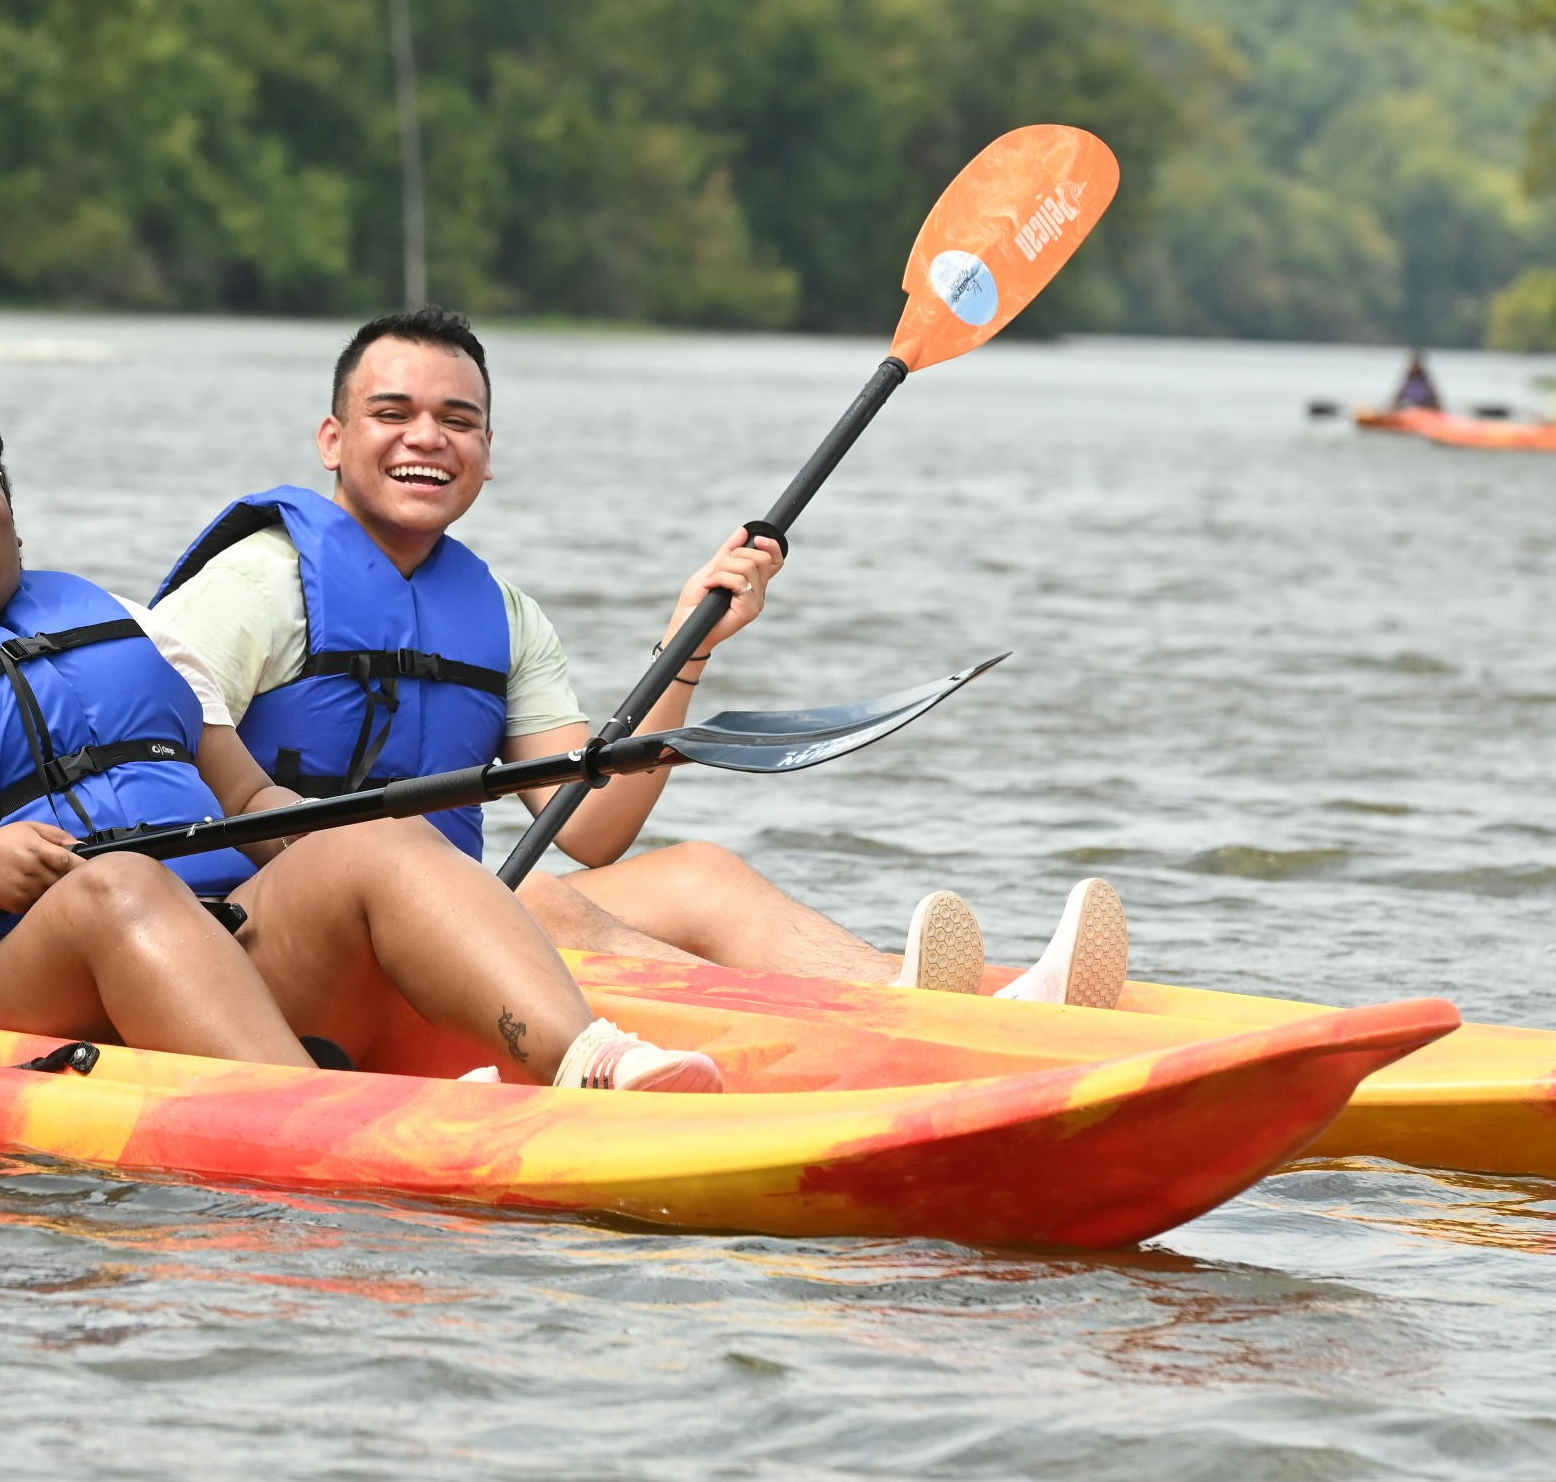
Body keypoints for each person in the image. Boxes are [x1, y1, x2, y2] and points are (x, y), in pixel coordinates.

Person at [0, 396, 727, 1092]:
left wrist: (353, 841)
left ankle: (593, 1062)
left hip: (221, 940)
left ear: (11, 511)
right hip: (0, 993)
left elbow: (245, 803)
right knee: (117, 887)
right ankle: (314, 1120)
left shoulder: (125, 628)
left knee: (373, 834)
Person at [148, 308, 1127, 1009]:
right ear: (333, 439)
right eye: (393, 413)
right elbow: (137, 743)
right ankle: (834, 1028)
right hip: (249, 938)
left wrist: (687, 644)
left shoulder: (501, 616)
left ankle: (933, 1004)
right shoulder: (260, 583)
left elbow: (593, 828)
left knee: (698, 873)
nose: (427, 438)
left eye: (459, 420)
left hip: (432, 926)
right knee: (531, 901)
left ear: (488, 448)